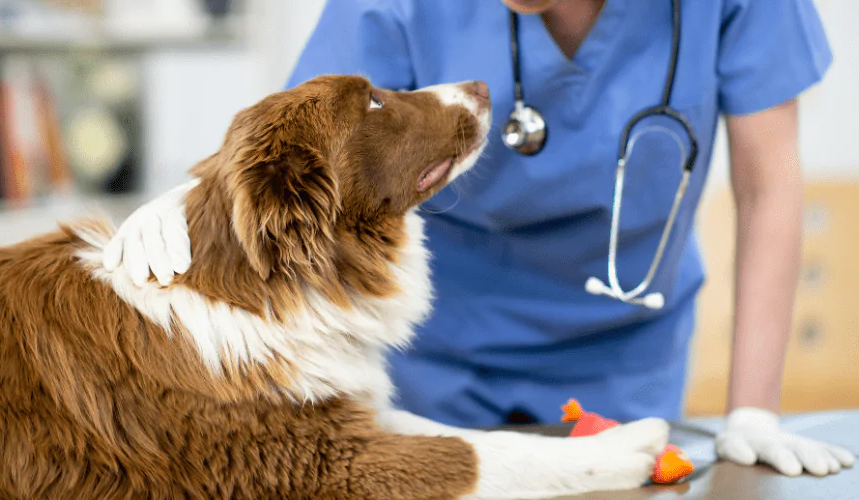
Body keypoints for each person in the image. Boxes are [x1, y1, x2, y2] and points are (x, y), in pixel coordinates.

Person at [103, 0, 855, 477]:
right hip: (431, 359)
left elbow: (768, 191)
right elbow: (295, 143)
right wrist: (187, 202)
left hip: (625, 358)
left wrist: (752, 409)